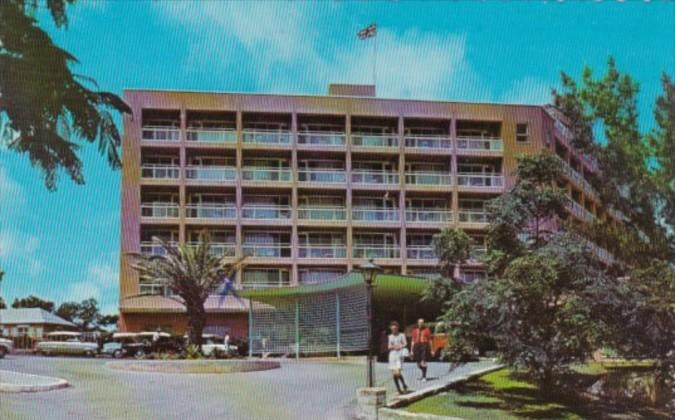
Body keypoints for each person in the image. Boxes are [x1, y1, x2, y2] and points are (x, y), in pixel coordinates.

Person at [388, 321, 409, 394]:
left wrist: (400, 346)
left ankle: (404, 384)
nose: (394, 330)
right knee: (394, 374)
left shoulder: (402, 335)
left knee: (397, 373)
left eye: (395, 328)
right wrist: (394, 346)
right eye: (392, 328)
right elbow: (389, 346)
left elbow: (405, 343)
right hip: (392, 355)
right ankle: (398, 389)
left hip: (399, 354)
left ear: (397, 328)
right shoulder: (390, 336)